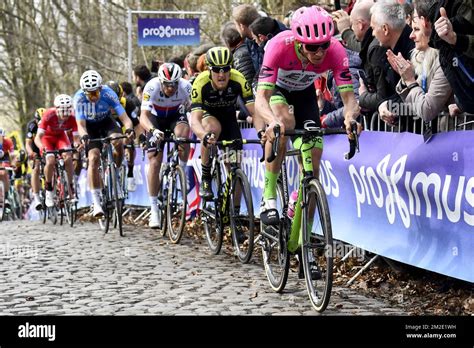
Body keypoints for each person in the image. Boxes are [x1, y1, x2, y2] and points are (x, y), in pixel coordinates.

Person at [254, 5, 361, 226]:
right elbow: (261, 98)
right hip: (278, 89)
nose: (320, 53)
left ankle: (306, 239)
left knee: (313, 160)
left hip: (304, 93)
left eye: (323, 45)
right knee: (283, 122)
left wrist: (350, 117)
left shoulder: (336, 50)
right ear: (298, 42)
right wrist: (271, 121)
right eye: (313, 48)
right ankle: (269, 195)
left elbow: (349, 97)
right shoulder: (277, 46)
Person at [189, 47, 257, 199]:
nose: (221, 74)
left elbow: (254, 111)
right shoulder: (200, 83)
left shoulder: (238, 79)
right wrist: (204, 136)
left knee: (234, 168)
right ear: (209, 69)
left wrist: (262, 131)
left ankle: (235, 211)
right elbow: (194, 120)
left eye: (226, 69)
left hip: (228, 118)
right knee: (213, 128)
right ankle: (206, 176)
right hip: (208, 115)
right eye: (217, 70)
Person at [73, 70, 134, 217]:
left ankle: (117, 173)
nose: (93, 96)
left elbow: (125, 118)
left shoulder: (108, 93)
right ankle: (96, 202)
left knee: (118, 142)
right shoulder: (79, 98)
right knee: (93, 158)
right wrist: (84, 136)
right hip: (89, 127)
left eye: (96, 92)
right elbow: (80, 125)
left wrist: (129, 129)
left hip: (107, 122)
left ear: (101, 88)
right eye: (90, 93)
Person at [139, 62, 192, 228]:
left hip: (175, 116)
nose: (171, 88)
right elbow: (143, 117)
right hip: (155, 119)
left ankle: (181, 171)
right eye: (167, 85)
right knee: (154, 161)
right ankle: (154, 208)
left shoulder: (186, 86)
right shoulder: (151, 86)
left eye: (174, 85)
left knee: (183, 137)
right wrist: (153, 131)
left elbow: (197, 108)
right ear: (161, 82)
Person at [386, 6, 453, 128]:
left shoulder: (444, 60)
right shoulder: (422, 57)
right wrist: (405, 78)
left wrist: (409, 80)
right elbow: (415, 103)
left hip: (459, 136)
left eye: (416, 29)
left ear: (430, 29)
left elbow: (427, 110)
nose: (411, 36)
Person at [368, 0, 415, 129]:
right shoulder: (391, 49)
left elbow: (419, 98)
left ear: (385, 29)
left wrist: (389, 106)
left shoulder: (414, 50)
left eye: (373, 28)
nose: (372, 34)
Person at [34, 94, 79, 207]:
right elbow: (38, 137)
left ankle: (70, 188)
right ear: (57, 109)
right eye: (62, 110)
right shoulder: (49, 115)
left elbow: (76, 137)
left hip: (60, 137)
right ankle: (49, 189)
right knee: (50, 160)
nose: (65, 113)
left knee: (68, 157)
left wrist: (77, 144)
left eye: (67, 110)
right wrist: (41, 147)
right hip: (47, 138)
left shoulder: (72, 117)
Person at [105, 80, 141, 192]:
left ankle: (130, 173)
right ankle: (106, 168)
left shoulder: (128, 103)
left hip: (123, 124)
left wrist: (138, 138)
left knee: (128, 142)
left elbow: (136, 124)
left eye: (116, 101)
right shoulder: (100, 104)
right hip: (108, 124)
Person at [25, 108, 45, 210]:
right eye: (39, 121)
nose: (40, 123)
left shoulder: (48, 123)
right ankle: (36, 197)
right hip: (35, 148)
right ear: (36, 120)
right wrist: (31, 153)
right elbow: (28, 143)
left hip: (46, 145)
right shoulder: (32, 125)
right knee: (36, 168)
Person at [0, 128, 15, 207]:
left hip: (5, 157)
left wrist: (13, 163)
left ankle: (5, 197)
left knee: (4, 173)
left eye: (1, 138)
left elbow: (12, 155)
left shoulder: (8, 141)